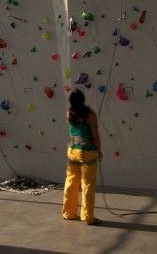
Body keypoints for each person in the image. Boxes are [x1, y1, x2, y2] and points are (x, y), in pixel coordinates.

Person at [61, 88, 103, 225]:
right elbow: (95, 136)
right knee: (88, 185)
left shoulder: (69, 114)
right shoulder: (91, 115)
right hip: (87, 152)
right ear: (83, 100)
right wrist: (99, 150)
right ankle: (88, 217)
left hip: (72, 151)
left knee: (71, 182)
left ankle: (68, 212)